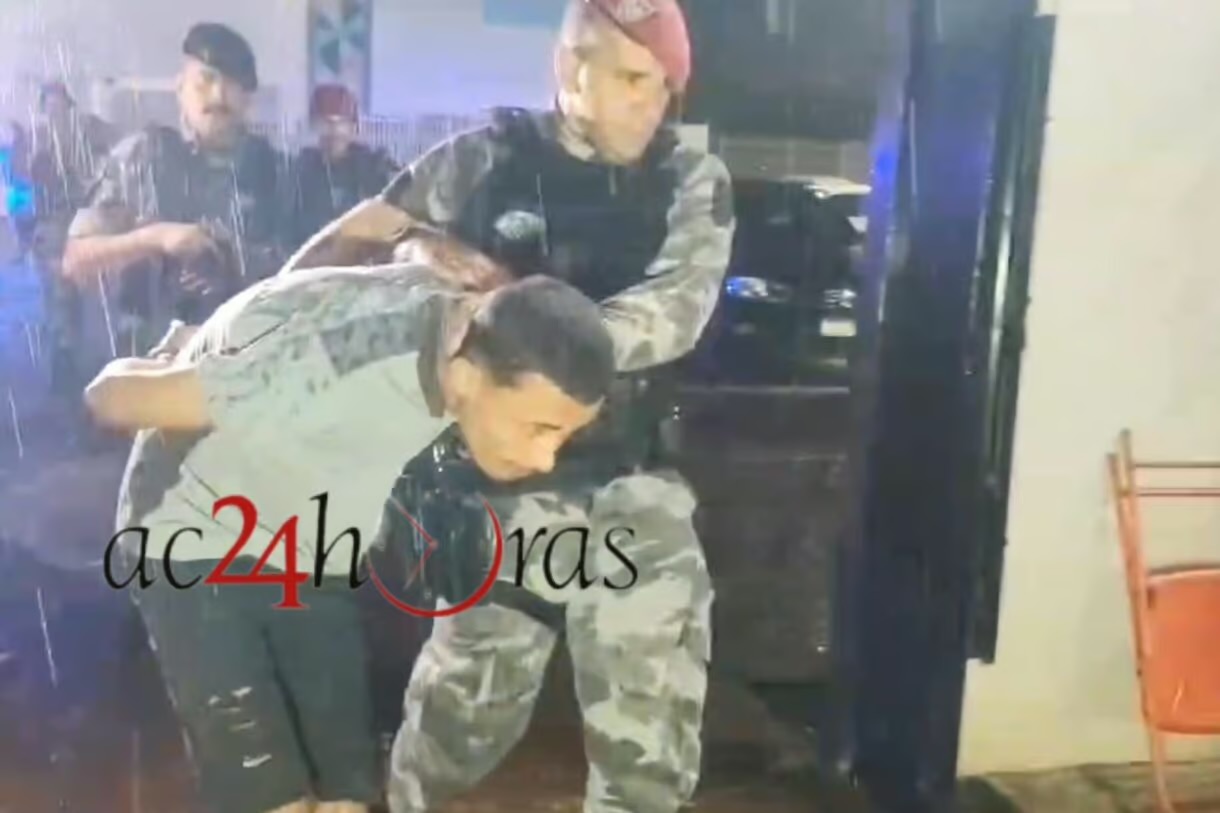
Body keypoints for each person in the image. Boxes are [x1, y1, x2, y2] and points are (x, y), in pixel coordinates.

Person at [282, 1, 737, 811]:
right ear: (570, 69)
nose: (651, 104)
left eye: (664, 86)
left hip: (626, 477)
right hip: (495, 485)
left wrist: (514, 326)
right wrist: (412, 249)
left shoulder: (687, 179)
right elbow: (337, 260)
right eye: (632, 79)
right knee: (457, 724)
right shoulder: (482, 159)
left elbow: (677, 309)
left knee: (649, 733)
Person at [83, 251, 618, 813]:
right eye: (539, 430)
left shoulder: (478, 326)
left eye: (562, 436)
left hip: (311, 545)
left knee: (347, 790)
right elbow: (108, 398)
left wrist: (403, 235)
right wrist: (180, 355)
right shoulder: (321, 370)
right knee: (272, 797)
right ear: (464, 377)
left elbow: (357, 234)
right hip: (192, 539)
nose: (545, 458)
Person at [62, 22, 287, 367]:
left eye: (232, 84)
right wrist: (156, 238)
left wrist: (236, 264)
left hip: (248, 368)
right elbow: (76, 261)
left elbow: (309, 272)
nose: (218, 95)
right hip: (152, 370)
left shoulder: (276, 172)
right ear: (180, 89)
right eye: (205, 80)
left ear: (247, 100)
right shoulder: (142, 159)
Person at [27, 81, 117, 400]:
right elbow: (35, 189)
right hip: (54, 229)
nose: (55, 111)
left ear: (68, 105)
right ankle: (65, 369)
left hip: (79, 224)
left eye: (59, 104)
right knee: (59, 300)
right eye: (49, 105)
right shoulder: (40, 141)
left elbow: (109, 149)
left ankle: (73, 366)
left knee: (75, 300)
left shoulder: (85, 132)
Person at [286, 84, 399, 252]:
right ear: (314, 126)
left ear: (353, 127)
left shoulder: (374, 168)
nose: (334, 131)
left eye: (341, 123)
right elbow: (286, 229)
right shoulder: (300, 172)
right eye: (325, 123)